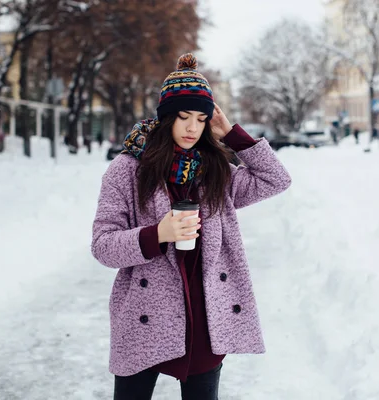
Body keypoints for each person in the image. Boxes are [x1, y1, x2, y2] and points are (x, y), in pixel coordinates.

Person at [91, 53, 292, 400]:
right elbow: (103, 245)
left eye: (200, 119)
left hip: (204, 317)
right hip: (145, 316)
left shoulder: (214, 171)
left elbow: (276, 179)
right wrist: (158, 235)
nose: (191, 128)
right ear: (166, 117)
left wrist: (231, 133)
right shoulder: (127, 171)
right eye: (183, 117)